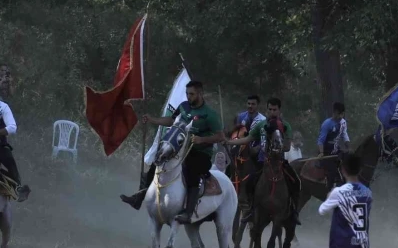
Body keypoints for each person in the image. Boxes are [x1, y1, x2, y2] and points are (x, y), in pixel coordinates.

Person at [120, 81, 224, 223]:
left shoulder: (209, 114)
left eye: (192, 94)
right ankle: (139, 198)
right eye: (187, 93)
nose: (188, 96)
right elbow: (171, 120)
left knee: (192, 172)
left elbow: (220, 136)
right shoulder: (184, 106)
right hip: (180, 148)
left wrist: (201, 139)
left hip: (200, 152)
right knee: (158, 160)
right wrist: (153, 120)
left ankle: (188, 213)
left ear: (200, 93)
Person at [226, 98, 302, 225]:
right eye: (270, 109)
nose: (272, 112)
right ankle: (250, 210)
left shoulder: (285, 126)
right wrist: (229, 141)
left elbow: (288, 147)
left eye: (275, 109)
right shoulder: (261, 125)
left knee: (296, 181)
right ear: (266, 110)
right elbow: (248, 139)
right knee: (249, 181)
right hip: (262, 163)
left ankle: (294, 211)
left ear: (279, 110)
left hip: (279, 164)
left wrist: (278, 148)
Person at [317, 102, 350, 189]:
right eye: (340, 114)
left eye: (343, 114)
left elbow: (344, 134)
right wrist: (321, 152)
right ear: (335, 112)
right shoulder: (327, 123)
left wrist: (348, 147)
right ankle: (331, 190)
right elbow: (321, 140)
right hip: (326, 152)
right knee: (332, 171)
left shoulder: (343, 122)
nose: (341, 116)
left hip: (336, 150)